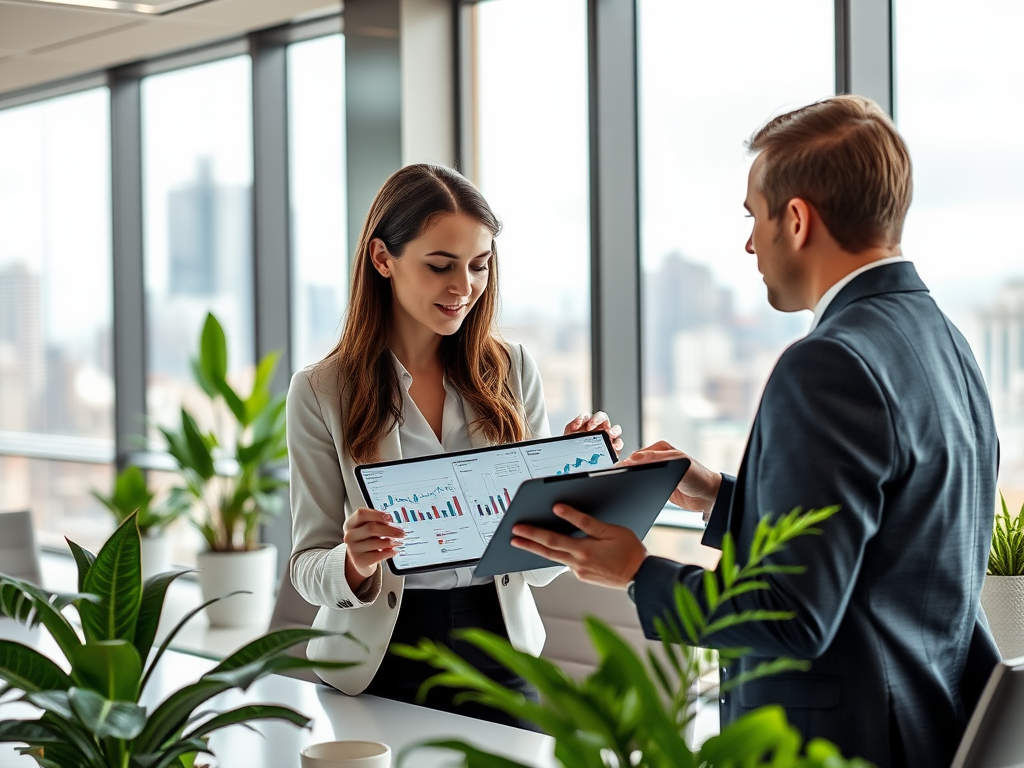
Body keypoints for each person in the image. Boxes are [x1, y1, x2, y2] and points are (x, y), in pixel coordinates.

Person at [509, 95, 1000, 766]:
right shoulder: (945, 340)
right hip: (922, 726)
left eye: (753, 216)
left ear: (796, 219)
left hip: (834, 746)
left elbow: (792, 614)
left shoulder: (828, 362)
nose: (749, 243)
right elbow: (882, 545)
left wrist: (636, 570)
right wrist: (718, 496)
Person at [286, 163, 622, 728]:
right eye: (440, 265)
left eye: (479, 266)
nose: (463, 287)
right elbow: (305, 563)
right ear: (382, 258)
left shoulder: (511, 369)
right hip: (382, 654)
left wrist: (568, 481)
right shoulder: (322, 390)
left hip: (501, 645)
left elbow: (539, 564)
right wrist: (352, 563)